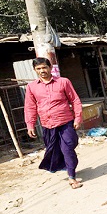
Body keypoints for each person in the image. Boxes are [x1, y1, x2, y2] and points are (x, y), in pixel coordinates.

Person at [24, 57, 83, 189]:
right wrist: (30, 124)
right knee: (55, 150)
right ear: (35, 70)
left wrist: (78, 118)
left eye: (44, 67)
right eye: (38, 68)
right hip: (47, 125)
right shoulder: (31, 87)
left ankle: (72, 177)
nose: (42, 70)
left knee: (68, 147)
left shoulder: (63, 82)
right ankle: (68, 167)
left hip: (65, 122)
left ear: (50, 68)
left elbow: (75, 100)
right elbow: (30, 107)